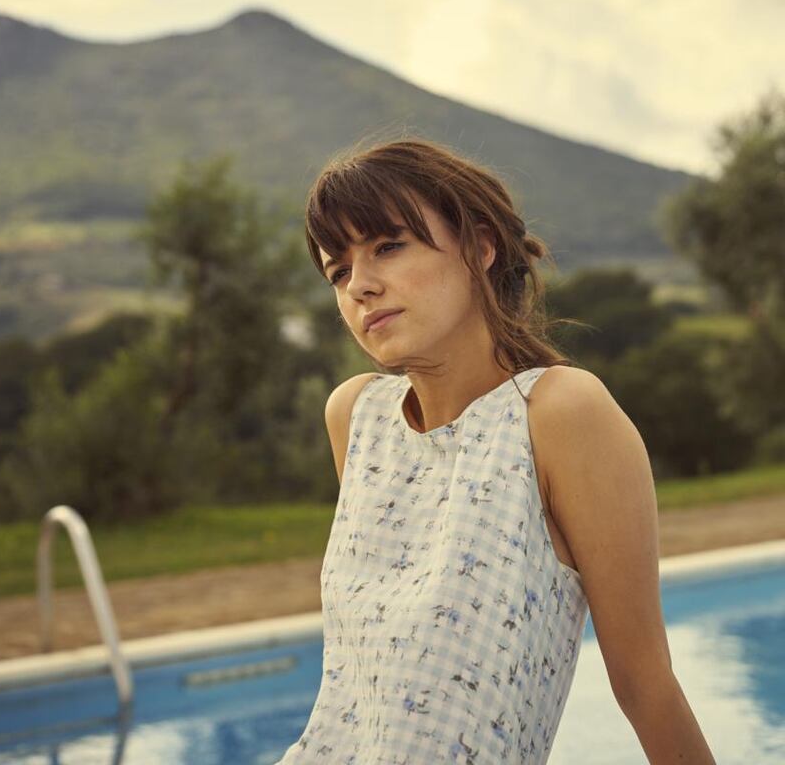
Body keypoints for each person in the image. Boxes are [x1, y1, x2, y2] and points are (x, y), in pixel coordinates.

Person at [275, 137, 715, 764]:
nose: (360, 287)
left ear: (480, 248)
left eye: (388, 247)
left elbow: (646, 687)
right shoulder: (355, 417)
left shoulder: (561, 414)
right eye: (338, 271)